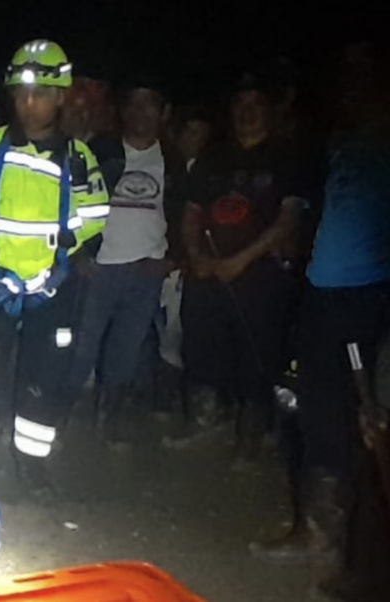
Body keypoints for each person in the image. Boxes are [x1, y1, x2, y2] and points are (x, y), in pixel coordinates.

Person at [251, 41, 390, 602]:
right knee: (313, 411)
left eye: (363, 76)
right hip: (322, 293)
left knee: (365, 425)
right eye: (345, 77)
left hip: (366, 299)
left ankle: (362, 562)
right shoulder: (340, 141)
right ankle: (318, 535)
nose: (349, 89)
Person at [0, 40, 110, 478]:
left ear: (60, 96)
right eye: (22, 94)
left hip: (52, 286)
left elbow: (95, 215)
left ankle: (33, 467)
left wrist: (56, 251)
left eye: (41, 94)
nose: (30, 104)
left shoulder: (79, 159)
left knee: (44, 377)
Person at [179, 72, 309, 461]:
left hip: (260, 274)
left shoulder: (287, 157)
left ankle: (251, 433)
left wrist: (241, 260)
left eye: (256, 104)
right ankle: (204, 420)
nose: (247, 112)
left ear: (269, 110)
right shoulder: (213, 156)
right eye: (240, 104)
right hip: (209, 270)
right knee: (201, 344)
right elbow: (191, 212)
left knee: (258, 354)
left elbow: (288, 220)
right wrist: (196, 255)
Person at [68, 78, 182, 448]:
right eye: (134, 104)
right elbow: (70, 201)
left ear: (163, 112)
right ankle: (58, 416)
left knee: (126, 350)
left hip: (147, 269)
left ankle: (109, 419)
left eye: (149, 104)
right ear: (122, 110)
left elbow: (184, 210)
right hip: (100, 266)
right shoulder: (100, 151)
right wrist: (79, 252)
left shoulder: (172, 158)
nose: (140, 113)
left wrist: (172, 257)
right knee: (81, 347)